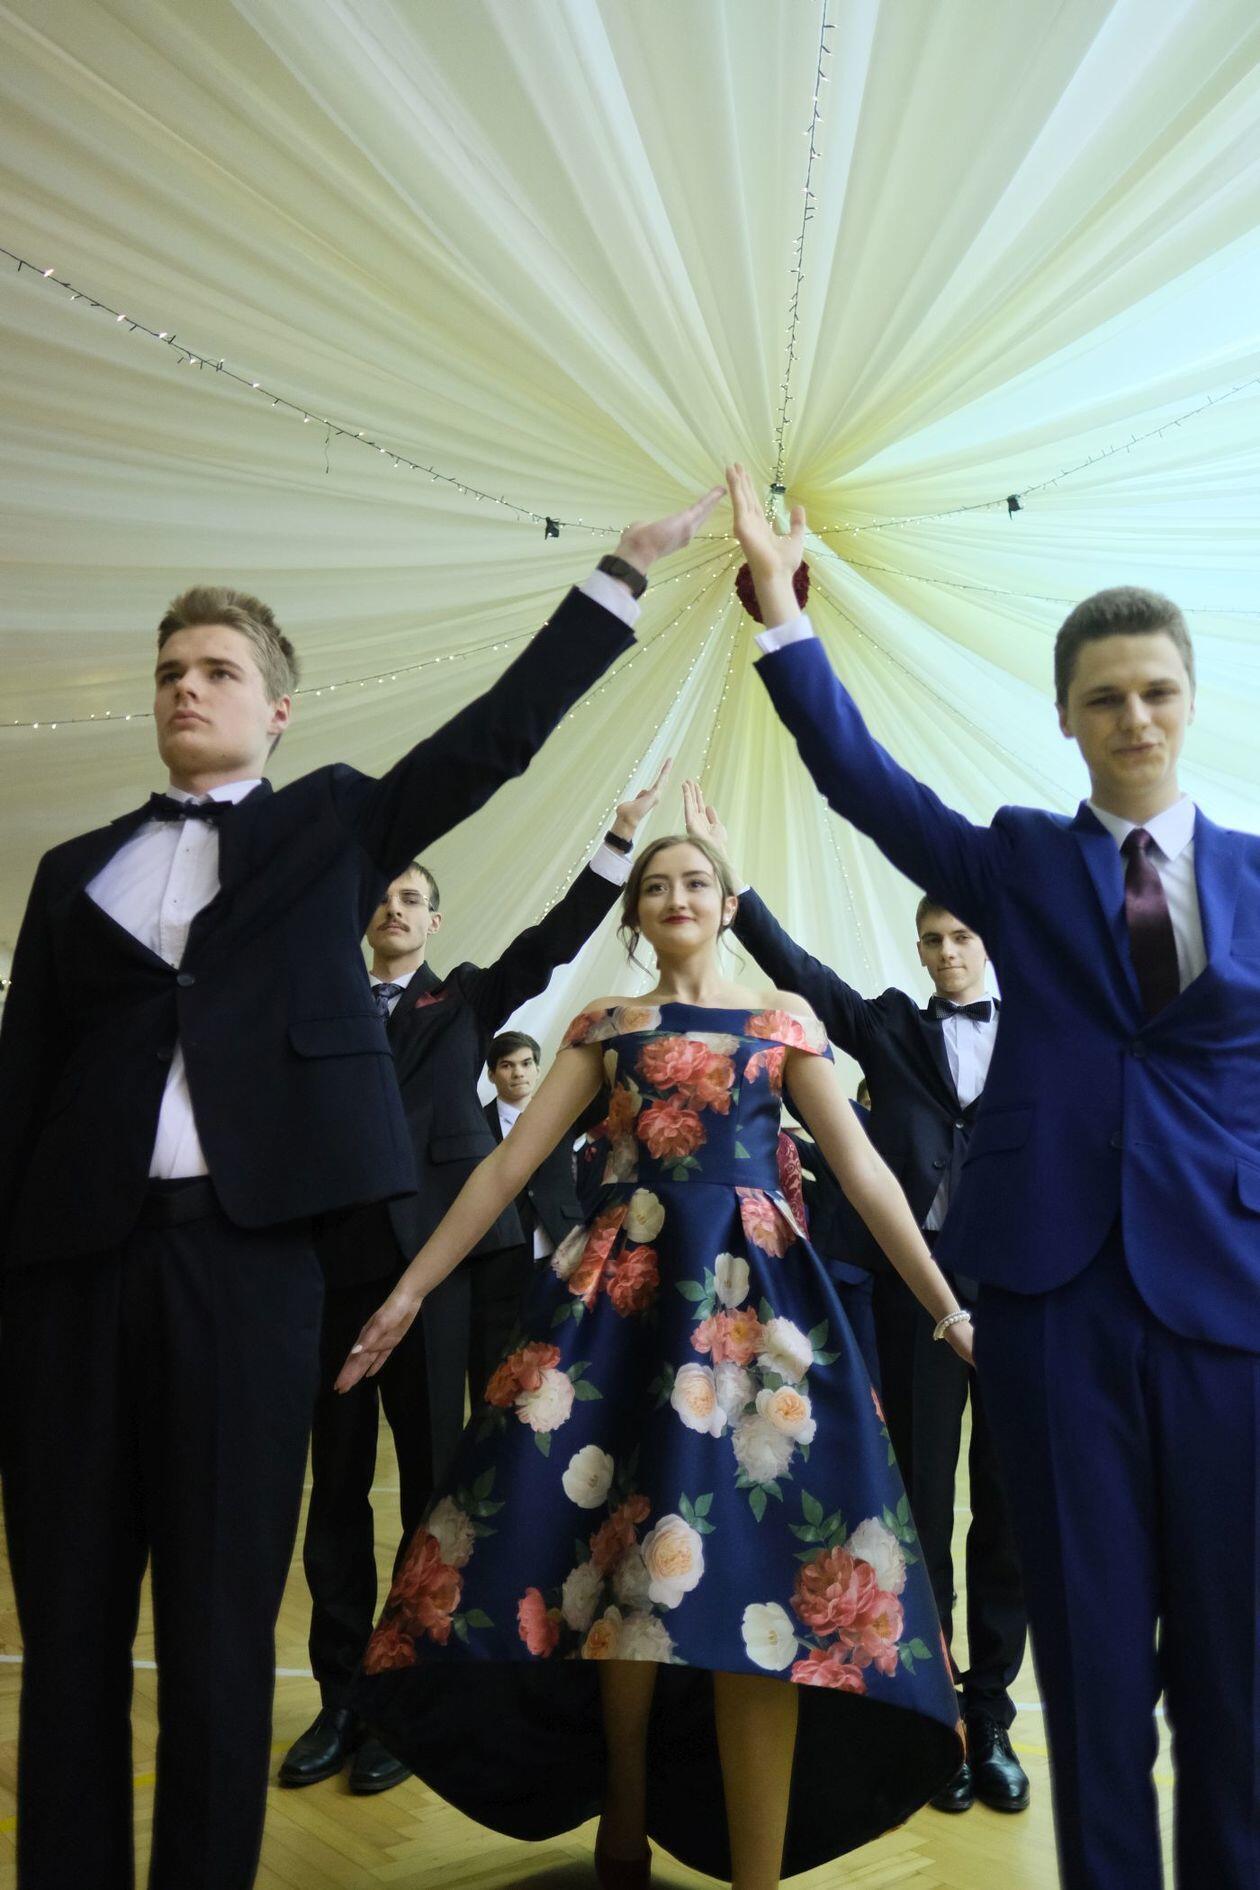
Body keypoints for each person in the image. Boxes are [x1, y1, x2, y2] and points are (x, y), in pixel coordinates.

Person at [0, 482, 721, 1890]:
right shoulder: (73, 871)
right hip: (73, 1278)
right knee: (68, 1620)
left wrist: (619, 579)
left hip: (250, 1268)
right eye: (171, 669)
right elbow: (21, 1092)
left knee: (219, 1622)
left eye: (218, 670)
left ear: (276, 710)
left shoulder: (326, 827)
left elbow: (488, 745)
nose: (186, 686)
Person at [727, 458, 1260, 1890]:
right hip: (1052, 1290)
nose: (1134, 717)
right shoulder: (1021, 860)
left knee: (1237, 1649)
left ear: (1191, 700)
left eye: (1156, 691)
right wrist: (784, 620)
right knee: (1089, 1644)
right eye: (1105, 696)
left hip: (1233, 1297)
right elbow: (867, 784)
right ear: (1066, 714)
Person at [336, 833, 975, 1890]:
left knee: (764, 1577)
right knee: (613, 1566)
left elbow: (863, 1172)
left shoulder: (783, 1020)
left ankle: (753, 1871)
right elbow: (507, 1166)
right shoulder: (607, 1024)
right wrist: (407, 1294)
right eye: (656, 885)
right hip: (617, 1311)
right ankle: (621, 1819)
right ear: (633, 913)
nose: (677, 895)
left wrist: (948, 1311)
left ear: (728, 905)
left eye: (698, 882)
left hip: (758, 1323)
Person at [285, 772, 665, 1800]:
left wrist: (618, 839)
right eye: (384, 897)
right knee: (334, 1492)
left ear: (434, 921)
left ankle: (407, 1705)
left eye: (413, 898)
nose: (396, 909)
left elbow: (550, 941)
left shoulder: (460, 1001)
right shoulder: (316, 999)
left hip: (435, 1271)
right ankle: (337, 1700)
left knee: (431, 1490)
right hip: (330, 1276)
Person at [682, 782, 1027, 1814]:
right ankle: (936, 1711)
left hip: (1026, 1296)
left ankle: (992, 1717)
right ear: (920, 951)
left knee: (1010, 1516)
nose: (948, 952)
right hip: (922, 1298)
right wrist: (735, 888)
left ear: (989, 945)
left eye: (962, 937)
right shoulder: (890, 1029)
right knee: (917, 1505)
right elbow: (804, 978)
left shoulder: (1045, 1033)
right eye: (934, 940)